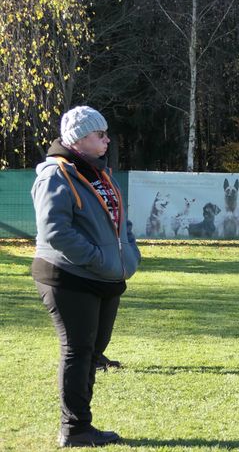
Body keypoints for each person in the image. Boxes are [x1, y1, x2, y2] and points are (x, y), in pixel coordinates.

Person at [31, 106, 141, 447]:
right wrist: (97, 258)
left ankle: (81, 424)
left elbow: (120, 220)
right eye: (100, 134)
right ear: (79, 139)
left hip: (106, 277)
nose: (107, 140)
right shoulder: (55, 175)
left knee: (94, 350)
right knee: (78, 351)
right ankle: (75, 428)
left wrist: (129, 252)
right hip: (68, 276)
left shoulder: (99, 172)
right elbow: (56, 231)